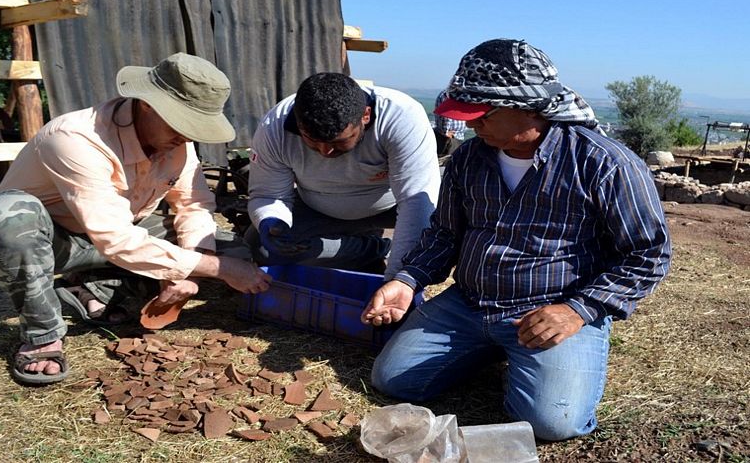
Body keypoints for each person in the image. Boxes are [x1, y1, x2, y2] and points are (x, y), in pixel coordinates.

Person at [360, 39, 671, 441]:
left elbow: (648, 254)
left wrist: (576, 311)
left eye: (481, 115)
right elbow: (445, 232)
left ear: (528, 107)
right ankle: (492, 347)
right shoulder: (469, 159)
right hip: (469, 304)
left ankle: (534, 352)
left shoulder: (605, 165)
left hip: (551, 310)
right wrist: (407, 281)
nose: (472, 126)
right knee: (393, 381)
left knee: (552, 423)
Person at [0, 53, 271, 385]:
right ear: (147, 105)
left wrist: (200, 266)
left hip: (123, 231)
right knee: (6, 217)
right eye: (182, 124)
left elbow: (193, 204)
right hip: (55, 241)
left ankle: (90, 290)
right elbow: (114, 239)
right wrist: (216, 270)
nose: (186, 137)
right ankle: (44, 335)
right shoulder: (77, 138)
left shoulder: (176, 145)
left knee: (233, 249)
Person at [246, 72, 440, 279]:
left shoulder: (401, 117)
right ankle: (371, 250)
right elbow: (268, 194)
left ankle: (376, 253)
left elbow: (415, 204)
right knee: (260, 250)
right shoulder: (274, 127)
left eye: (338, 142)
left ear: (365, 116)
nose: (325, 152)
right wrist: (271, 219)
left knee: (447, 227)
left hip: (390, 206)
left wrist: (399, 278)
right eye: (311, 140)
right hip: (319, 206)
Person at [432, 89, 467, 156]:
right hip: (448, 138)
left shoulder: (455, 93)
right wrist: (445, 132)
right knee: (448, 161)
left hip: (455, 136)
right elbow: (445, 115)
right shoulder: (450, 93)